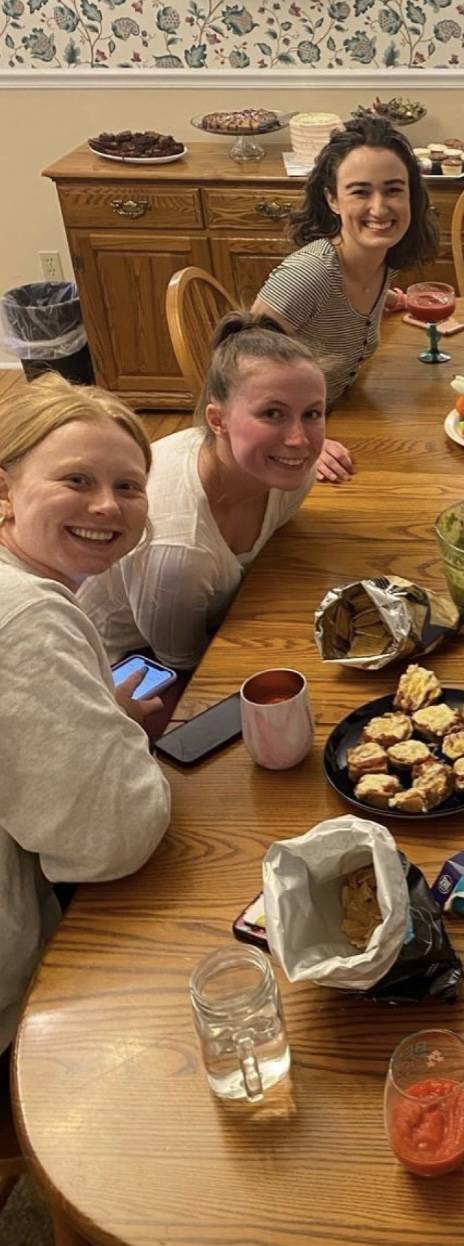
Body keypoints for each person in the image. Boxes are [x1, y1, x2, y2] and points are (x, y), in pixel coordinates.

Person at [0, 373, 171, 1056]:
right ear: (4, 492)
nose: (106, 505)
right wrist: (120, 727)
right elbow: (115, 837)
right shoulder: (27, 617)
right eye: (76, 480)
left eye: (128, 487)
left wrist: (96, 710)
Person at [78, 313, 327, 671]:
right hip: (127, 666)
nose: (299, 440)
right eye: (273, 413)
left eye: (312, 414)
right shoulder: (178, 552)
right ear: (217, 420)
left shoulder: (291, 474)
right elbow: (183, 664)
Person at [254, 116, 439, 483]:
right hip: (275, 453)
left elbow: (337, 311)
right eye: (360, 191)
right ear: (332, 199)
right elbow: (239, 368)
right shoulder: (312, 274)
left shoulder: (380, 262)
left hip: (340, 416)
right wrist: (304, 440)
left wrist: (382, 300)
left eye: (393, 190)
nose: (379, 207)